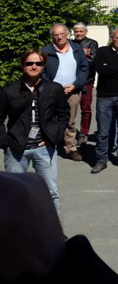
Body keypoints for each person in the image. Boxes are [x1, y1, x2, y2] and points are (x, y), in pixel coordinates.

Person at [0, 49, 69, 216]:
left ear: (43, 66)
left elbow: (63, 114)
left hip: (44, 149)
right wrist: (5, 143)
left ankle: (55, 235)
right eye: (29, 63)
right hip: (16, 150)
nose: (34, 66)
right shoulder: (9, 90)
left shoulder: (54, 89)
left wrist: (53, 137)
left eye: (38, 63)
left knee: (50, 193)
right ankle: (17, 238)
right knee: (14, 195)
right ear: (23, 66)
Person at [90, 28, 118, 174]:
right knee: (103, 131)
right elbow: (100, 70)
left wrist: (110, 69)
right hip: (105, 96)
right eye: (117, 38)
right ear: (112, 37)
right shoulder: (103, 51)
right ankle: (101, 159)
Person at [41, 23, 89, 162]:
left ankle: (70, 148)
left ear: (67, 34)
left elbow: (84, 69)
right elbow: (41, 72)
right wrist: (51, 87)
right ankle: (50, 145)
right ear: (52, 37)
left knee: (70, 121)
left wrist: (75, 85)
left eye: (62, 34)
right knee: (50, 119)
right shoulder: (46, 51)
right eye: (56, 35)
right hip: (52, 92)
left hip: (72, 91)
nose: (59, 37)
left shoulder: (76, 49)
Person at [71, 23, 98, 147]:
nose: (79, 34)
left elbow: (92, 61)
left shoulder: (92, 44)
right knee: (70, 109)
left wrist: (76, 61)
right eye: (76, 31)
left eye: (81, 31)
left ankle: (84, 133)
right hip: (72, 82)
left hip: (87, 81)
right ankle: (69, 132)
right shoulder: (70, 44)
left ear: (86, 32)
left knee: (86, 109)